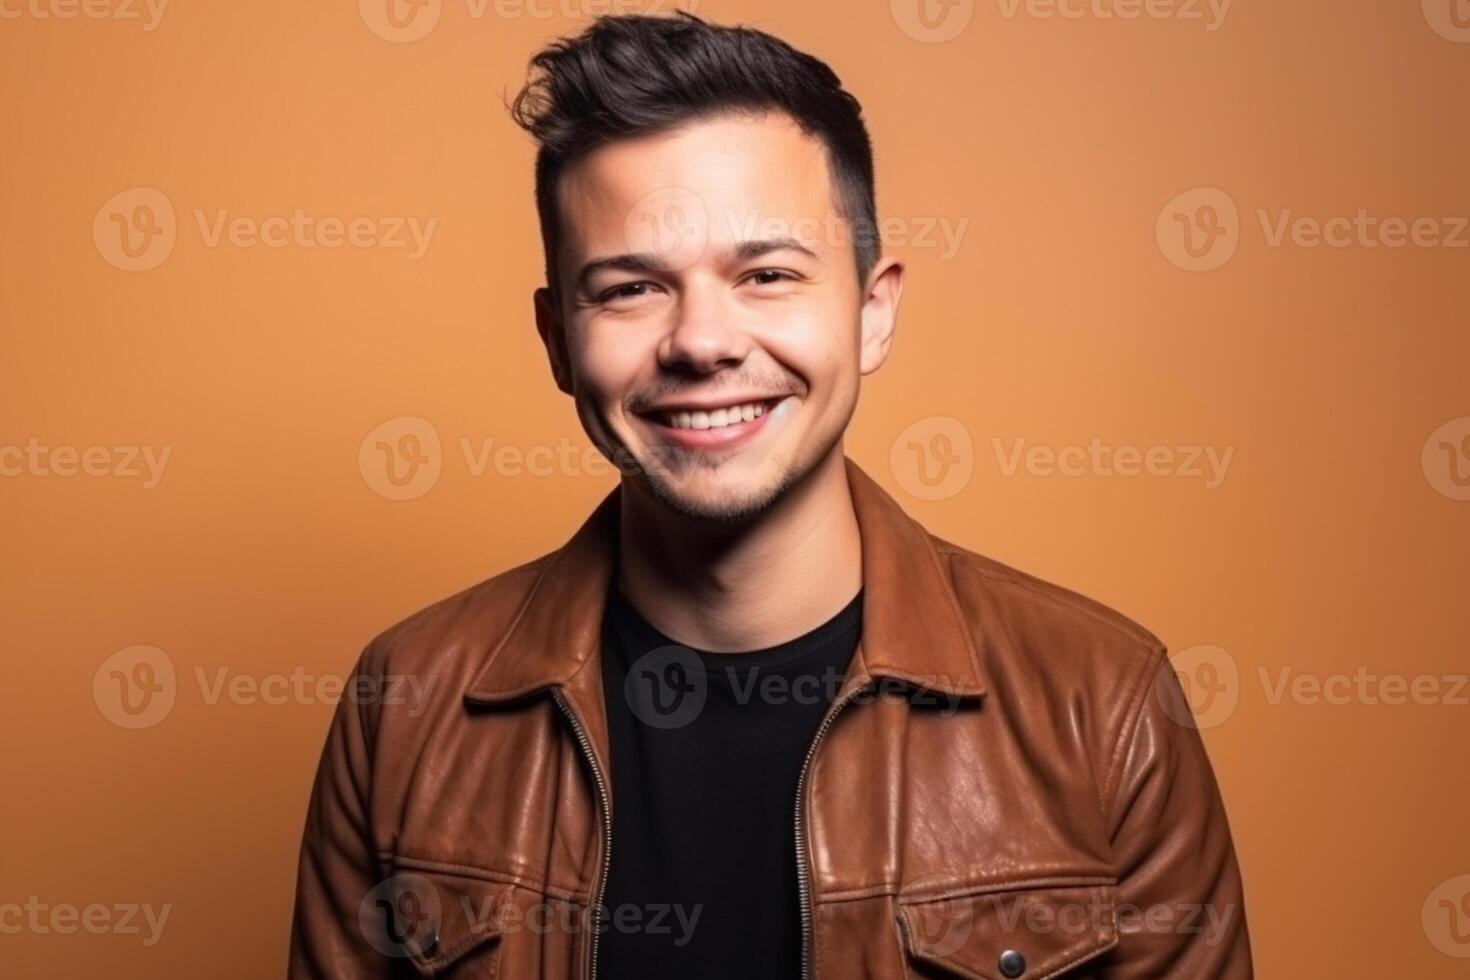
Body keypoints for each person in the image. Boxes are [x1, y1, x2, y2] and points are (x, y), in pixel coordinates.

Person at [289, 11, 1253, 978]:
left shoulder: (1104, 707)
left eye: (767, 274)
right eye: (629, 289)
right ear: (556, 340)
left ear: (873, 314)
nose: (702, 342)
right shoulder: (406, 706)